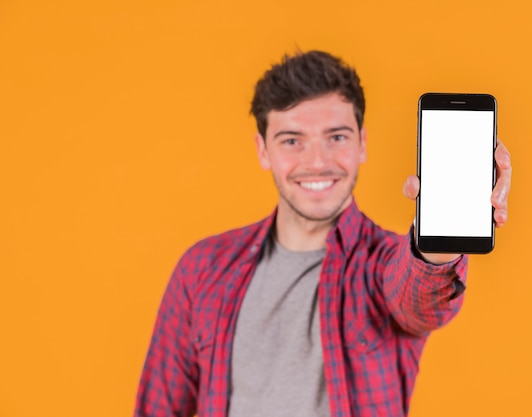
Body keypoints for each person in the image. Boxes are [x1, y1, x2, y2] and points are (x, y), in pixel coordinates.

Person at [134, 50, 512, 417]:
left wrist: (439, 237)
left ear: (362, 142)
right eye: (292, 140)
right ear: (263, 150)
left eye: (336, 137)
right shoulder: (202, 269)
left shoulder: (383, 265)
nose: (317, 162)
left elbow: (421, 299)